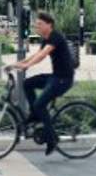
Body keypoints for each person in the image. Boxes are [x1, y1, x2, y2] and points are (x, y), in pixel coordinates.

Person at [9, 12, 75, 156]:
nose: (37, 26)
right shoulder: (46, 39)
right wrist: (18, 64)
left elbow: (43, 55)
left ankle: (52, 139)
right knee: (27, 83)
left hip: (64, 79)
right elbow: (36, 55)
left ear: (49, 25)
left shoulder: (55, 37)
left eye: (40, 24)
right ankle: (36, 115)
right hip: (55, 77)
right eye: (36, 24)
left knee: (39, 104)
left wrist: (27, 66)